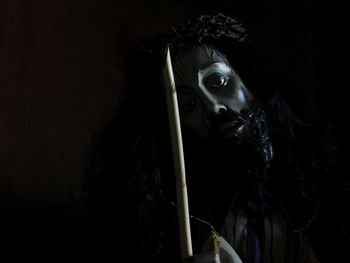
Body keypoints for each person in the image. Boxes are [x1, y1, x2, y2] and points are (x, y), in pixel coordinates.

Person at [83, 12, 349, 262]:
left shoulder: (322, 179)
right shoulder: (172, 218)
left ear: (249, 81)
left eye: (218, 82)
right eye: (188, 105)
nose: (212, 107)